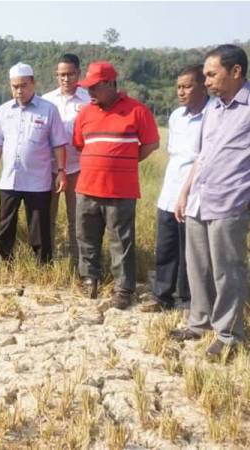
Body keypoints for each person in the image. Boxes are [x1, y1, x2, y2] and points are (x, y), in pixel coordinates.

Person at [173, 45, 250, 358]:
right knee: (198, 266)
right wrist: (185, 190)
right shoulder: (214, 110)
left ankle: (229, 335)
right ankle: (199, 322)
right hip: (200, 200)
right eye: (204, 75)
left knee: (227, 271)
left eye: (211, 74)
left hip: (231, 202)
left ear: (235, 72)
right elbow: (201, 156)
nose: (206, 81)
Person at [73, 61, 160, 307]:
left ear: (111, 84)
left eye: (94, 87)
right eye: (87, 87)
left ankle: (124, 290)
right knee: (86, 238)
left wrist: (126, 160)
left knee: (121, 241)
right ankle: (90, 279)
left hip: (120, 191)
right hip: (87, 188)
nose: (89, 92)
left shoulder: (137, 110)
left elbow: (151, 144)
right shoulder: (85, 113)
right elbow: (81, 144)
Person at [140, 65, 209, 313]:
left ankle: (189, 301)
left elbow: (203, 158)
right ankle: (162, 296)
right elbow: (173, 154)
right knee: (166, 247)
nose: (181, 91)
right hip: (169, 193)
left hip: (195, 194)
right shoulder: (176, 116)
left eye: (187, 86)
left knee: (190, 252)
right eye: (179, 86)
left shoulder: (212, 115)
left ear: (203, 86)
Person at [0, 62, 68, 263]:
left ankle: (43, 263)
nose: (19, 90)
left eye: (23, 85)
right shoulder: (3, 111)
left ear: (33, 83)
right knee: (5, 222)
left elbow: (59, 144)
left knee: (38, 224)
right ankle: (4, 259)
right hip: (10, 178)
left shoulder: (49, 110)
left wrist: (61, 171)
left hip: (37, 179)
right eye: (15, 86)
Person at [42, 53, 90, 262]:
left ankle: (79, 263)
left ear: (79, 74)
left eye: (70, 74)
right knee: (47, 218)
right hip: (49, 169)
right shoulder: (46, 100)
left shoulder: (89, 100)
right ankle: (46, 259)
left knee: (77, 219)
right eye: (62, 74)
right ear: (56, 75)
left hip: (78, 169)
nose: (66, 79)